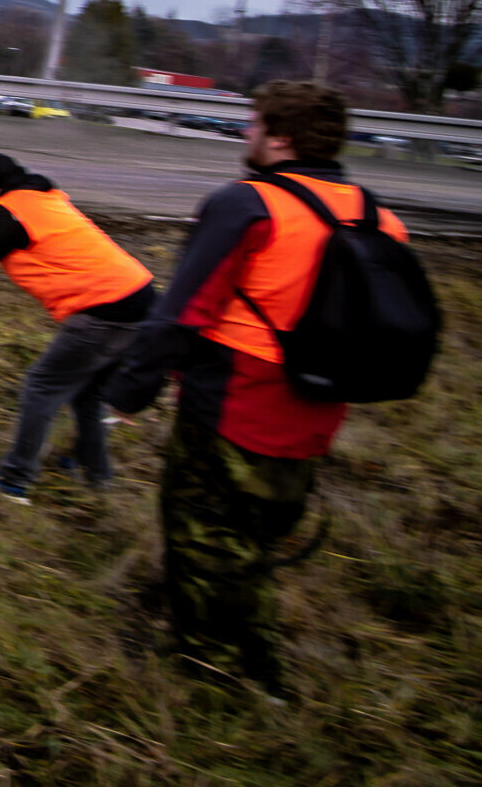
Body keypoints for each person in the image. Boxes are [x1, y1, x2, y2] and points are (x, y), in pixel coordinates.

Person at [104, 81, 409, 697]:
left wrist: (128, 390)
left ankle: (207, 675)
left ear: (280, 138)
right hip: (316, 414)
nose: (246, 132)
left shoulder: (247, 205)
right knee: (257, 542)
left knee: (202, 538)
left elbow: (183, 313)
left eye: (253, 123)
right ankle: (260, 657)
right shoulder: (378, 217)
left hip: (233, 406)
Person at [0, 152, 155, 505]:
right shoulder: (37, 199)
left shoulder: (13, 215)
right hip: (140, 298)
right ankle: (96, 474)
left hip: (104, 309)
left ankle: (14, 481)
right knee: (86, 392)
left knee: (41, 386)